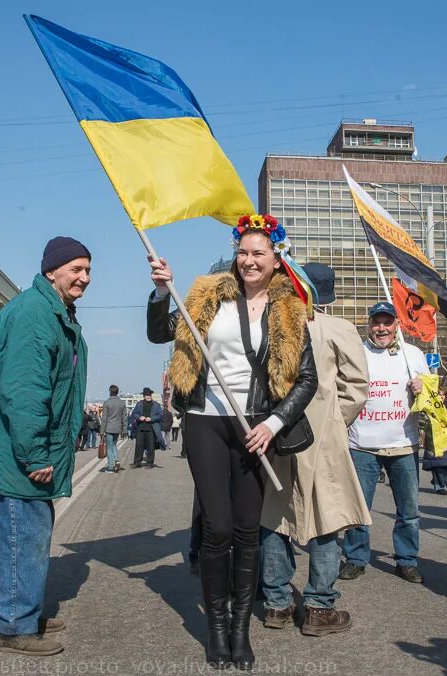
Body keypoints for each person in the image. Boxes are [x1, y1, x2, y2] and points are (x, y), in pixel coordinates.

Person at [147, 213, 317, 670]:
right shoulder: (206, 296)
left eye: (258, 253)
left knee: (247, 530)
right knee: (217, 528)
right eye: (243, 252)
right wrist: (163, 292)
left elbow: (307, 379)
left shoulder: (290, 309)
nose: (248, 260)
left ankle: (240, 631)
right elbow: (159, 332)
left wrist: (274, 425)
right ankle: (216, 629)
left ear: (276, 258)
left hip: (256, 426)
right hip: (206, 420)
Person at [0, 236, 90, 657]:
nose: (84, 278)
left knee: (32, 533)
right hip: (18, 455)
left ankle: (26, 611)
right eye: (75, 269)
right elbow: (24, 392)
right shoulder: (34, 315)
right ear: (51, 271)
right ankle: (14, 627)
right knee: (21, 535)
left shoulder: (51, 312)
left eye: (87, 270)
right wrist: (35, 455)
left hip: (23, 451)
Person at [260, 262, 370, 637]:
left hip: (275, 431)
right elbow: (356, 386)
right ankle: (319, 606)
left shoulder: (272, 322)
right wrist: (335, 420)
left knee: (273, 514)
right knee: (328, 516)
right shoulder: (339, 328)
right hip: (322, 436)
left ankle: (276, 603)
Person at [339, 301, 429, 584]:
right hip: (362, 444)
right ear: (369, 325)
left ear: (396, 326)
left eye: (387, 323)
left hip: (403, 444)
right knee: (358, 508)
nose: (381, 328)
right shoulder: (356, 354)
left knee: (409, 510)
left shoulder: (412, 354)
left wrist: (423, 387)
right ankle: (356, 558)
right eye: (376, 322)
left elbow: (431, 397)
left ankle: (407, 560)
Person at [129, 388, 163, 468]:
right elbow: (134, 413)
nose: (148, 396)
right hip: (140, 427)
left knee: (151, 446)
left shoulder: (156, 405)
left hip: (151, 428)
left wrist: (151, 419)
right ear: (144, 396)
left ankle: (149, 463)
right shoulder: (139, 404)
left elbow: (160, 415)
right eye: (147, 395)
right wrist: (139, 417)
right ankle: (137, 462)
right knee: (139, 446)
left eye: (149, 395)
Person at [100, 385, 126, 473]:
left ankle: (110, 466)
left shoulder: (107, 402)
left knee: (109, 447)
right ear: (117, 392)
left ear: (110, 391)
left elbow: (104, 418)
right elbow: (124, 418)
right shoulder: (122, 403)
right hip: (117, 428)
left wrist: (101, 431)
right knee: (114, 445)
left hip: (109, 428)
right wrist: (124, 430)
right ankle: (116, 460)